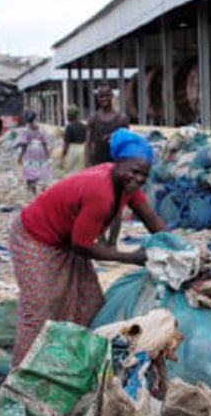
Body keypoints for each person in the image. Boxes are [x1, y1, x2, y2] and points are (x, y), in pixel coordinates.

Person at [9, 128, 168, 366]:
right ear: (118, 163)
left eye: (144, 175)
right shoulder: (100, 192)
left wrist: (179, 248)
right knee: (40, 308)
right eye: (134, 172)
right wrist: (131, 257)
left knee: (89, 302)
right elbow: (82, 246)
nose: (138, 179)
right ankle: (22, 374)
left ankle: (74, 363)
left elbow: (151, 219)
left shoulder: (127, 188)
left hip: (65, 240)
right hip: (36, 237)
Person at [85, 85, 130, 167]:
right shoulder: (93, 117)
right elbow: (88, 143)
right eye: (101, 96)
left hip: (115, 163)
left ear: (112, 96)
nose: (104, 99)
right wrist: (87, 163)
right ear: (97, 98)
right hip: (97, 163)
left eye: (106, 95)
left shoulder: (121, 118)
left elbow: (126, 143)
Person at [17, 111, 51, 195]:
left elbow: (24, 144)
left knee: (29, 167)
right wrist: (47, 153)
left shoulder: (25, 130)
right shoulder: (40, 129)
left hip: (30, 150)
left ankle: (32, 189)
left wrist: (20, 156)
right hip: (40, 150)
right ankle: (42, 187)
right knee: (40, 166)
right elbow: (44, 142)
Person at [60, 105, 88, 177]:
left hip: (72, 151)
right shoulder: (84, 126)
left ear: (70, 115)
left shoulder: (69, 127)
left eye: (67, 114)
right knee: (81, 173)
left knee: (70, 174)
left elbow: (66, 144)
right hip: (83, 150)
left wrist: (62, 156)